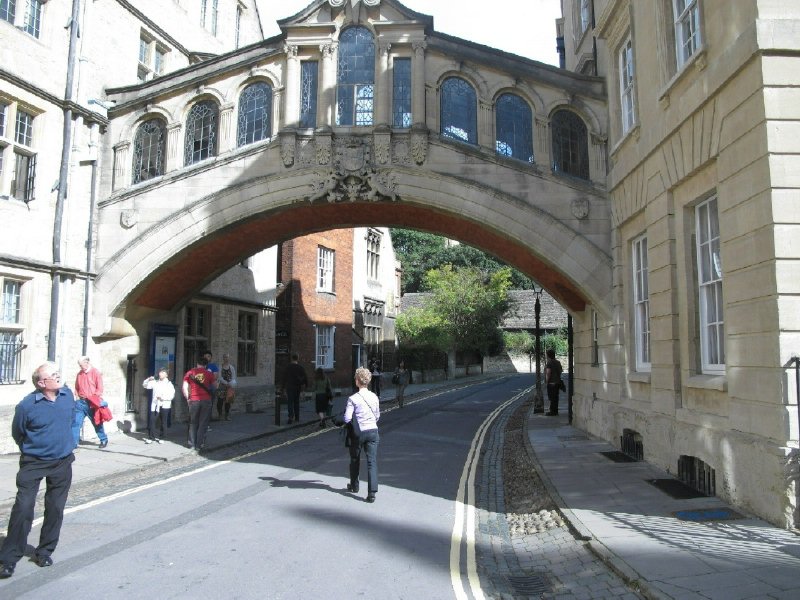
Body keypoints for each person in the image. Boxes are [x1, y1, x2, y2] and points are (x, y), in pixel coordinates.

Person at [0, 363, 76, 578]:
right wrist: (34, 450)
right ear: (42, 383)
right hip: (34, 462)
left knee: (55, 508)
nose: (58, 375)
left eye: (58, 372)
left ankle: (44, 552)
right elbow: (19, 433)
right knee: (23, 508)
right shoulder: (27, 405)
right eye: (53, 374)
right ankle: (8, 559)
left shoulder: (67, 395)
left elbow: (69, 421)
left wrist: (67, 444)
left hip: (62, 462)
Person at [342, 366, 380, 503]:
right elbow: (377, 416)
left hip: (359, 433)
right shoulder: (374, 396)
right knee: (372, 462)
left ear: (357, 381)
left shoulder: (353, 399)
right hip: (373, 432)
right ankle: (372, 493)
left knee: (354, 459)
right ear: (368, 381)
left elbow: (346, 418)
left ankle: (354, 485)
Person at [73, 356, 109, 449]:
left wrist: (94, 398)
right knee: (76, 422)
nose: (80, 367)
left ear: (87, 362)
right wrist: (77, 397)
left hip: (92, 402)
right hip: (80, 402)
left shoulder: (95, 372)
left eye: (81, 365)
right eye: (79, 365)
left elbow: (100, 388)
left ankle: (103, 439)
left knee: (96, 422)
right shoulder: (79, 374)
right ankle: (73, 443)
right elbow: (76, 387)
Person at [182, 356, 216, 452]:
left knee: (193, 422)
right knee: (203, 423)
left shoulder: (190, 373)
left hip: (194, 400)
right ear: (205, 365)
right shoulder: (209, 374)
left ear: (197, 364)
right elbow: (214, 386)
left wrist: (188, 398)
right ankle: (199, 444)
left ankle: (191, 444)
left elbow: (184, 387)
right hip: (206, 400)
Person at [142, 367, 175, 443]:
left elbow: (171, 395)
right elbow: (145, 385)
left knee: (163, 422)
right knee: (152, 420)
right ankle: (151, 437)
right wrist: (148, 379)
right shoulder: (155, 382)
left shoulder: (169, 384)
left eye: (163, 372)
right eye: (160, 372)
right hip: (155, 404)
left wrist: (162, 398)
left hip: (164, 405)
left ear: (166, 375)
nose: (160, 374)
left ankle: (162, 437)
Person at [282, 353, 307, 424]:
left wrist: (282, 388)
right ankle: (297, 417)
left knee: (290, 402)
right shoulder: (300, 367)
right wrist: (304, 387)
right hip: (297, 387)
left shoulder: (288, 367)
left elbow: (284, 378)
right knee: (296, 402)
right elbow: (305, 378)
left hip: (289, 387)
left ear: (292, 358)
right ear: (297, 358)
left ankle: (290, 417)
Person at [215, 354, 237, 421]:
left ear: (228, 358)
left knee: (228, 401)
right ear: (223, 358)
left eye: (227, 357)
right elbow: (219, 377)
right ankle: (220, 415)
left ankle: (227, 415)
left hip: (230, 386)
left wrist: (230, 383)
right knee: (220, 401)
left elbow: (233, 377)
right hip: (221, 386)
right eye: (224, 357)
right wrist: (225, 383)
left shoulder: (231, 367)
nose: (226, 359)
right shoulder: (220, 367)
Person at [545, 348, 564, 416]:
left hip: (551, 382)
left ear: (548, 355)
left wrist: (547, 381)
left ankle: (552, 412)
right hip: (557, 382)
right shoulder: (558, 362)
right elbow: (561, 371)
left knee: (551, 397)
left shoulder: (549, 362)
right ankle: (555, 411)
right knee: (556, 397)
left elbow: (548, 373)